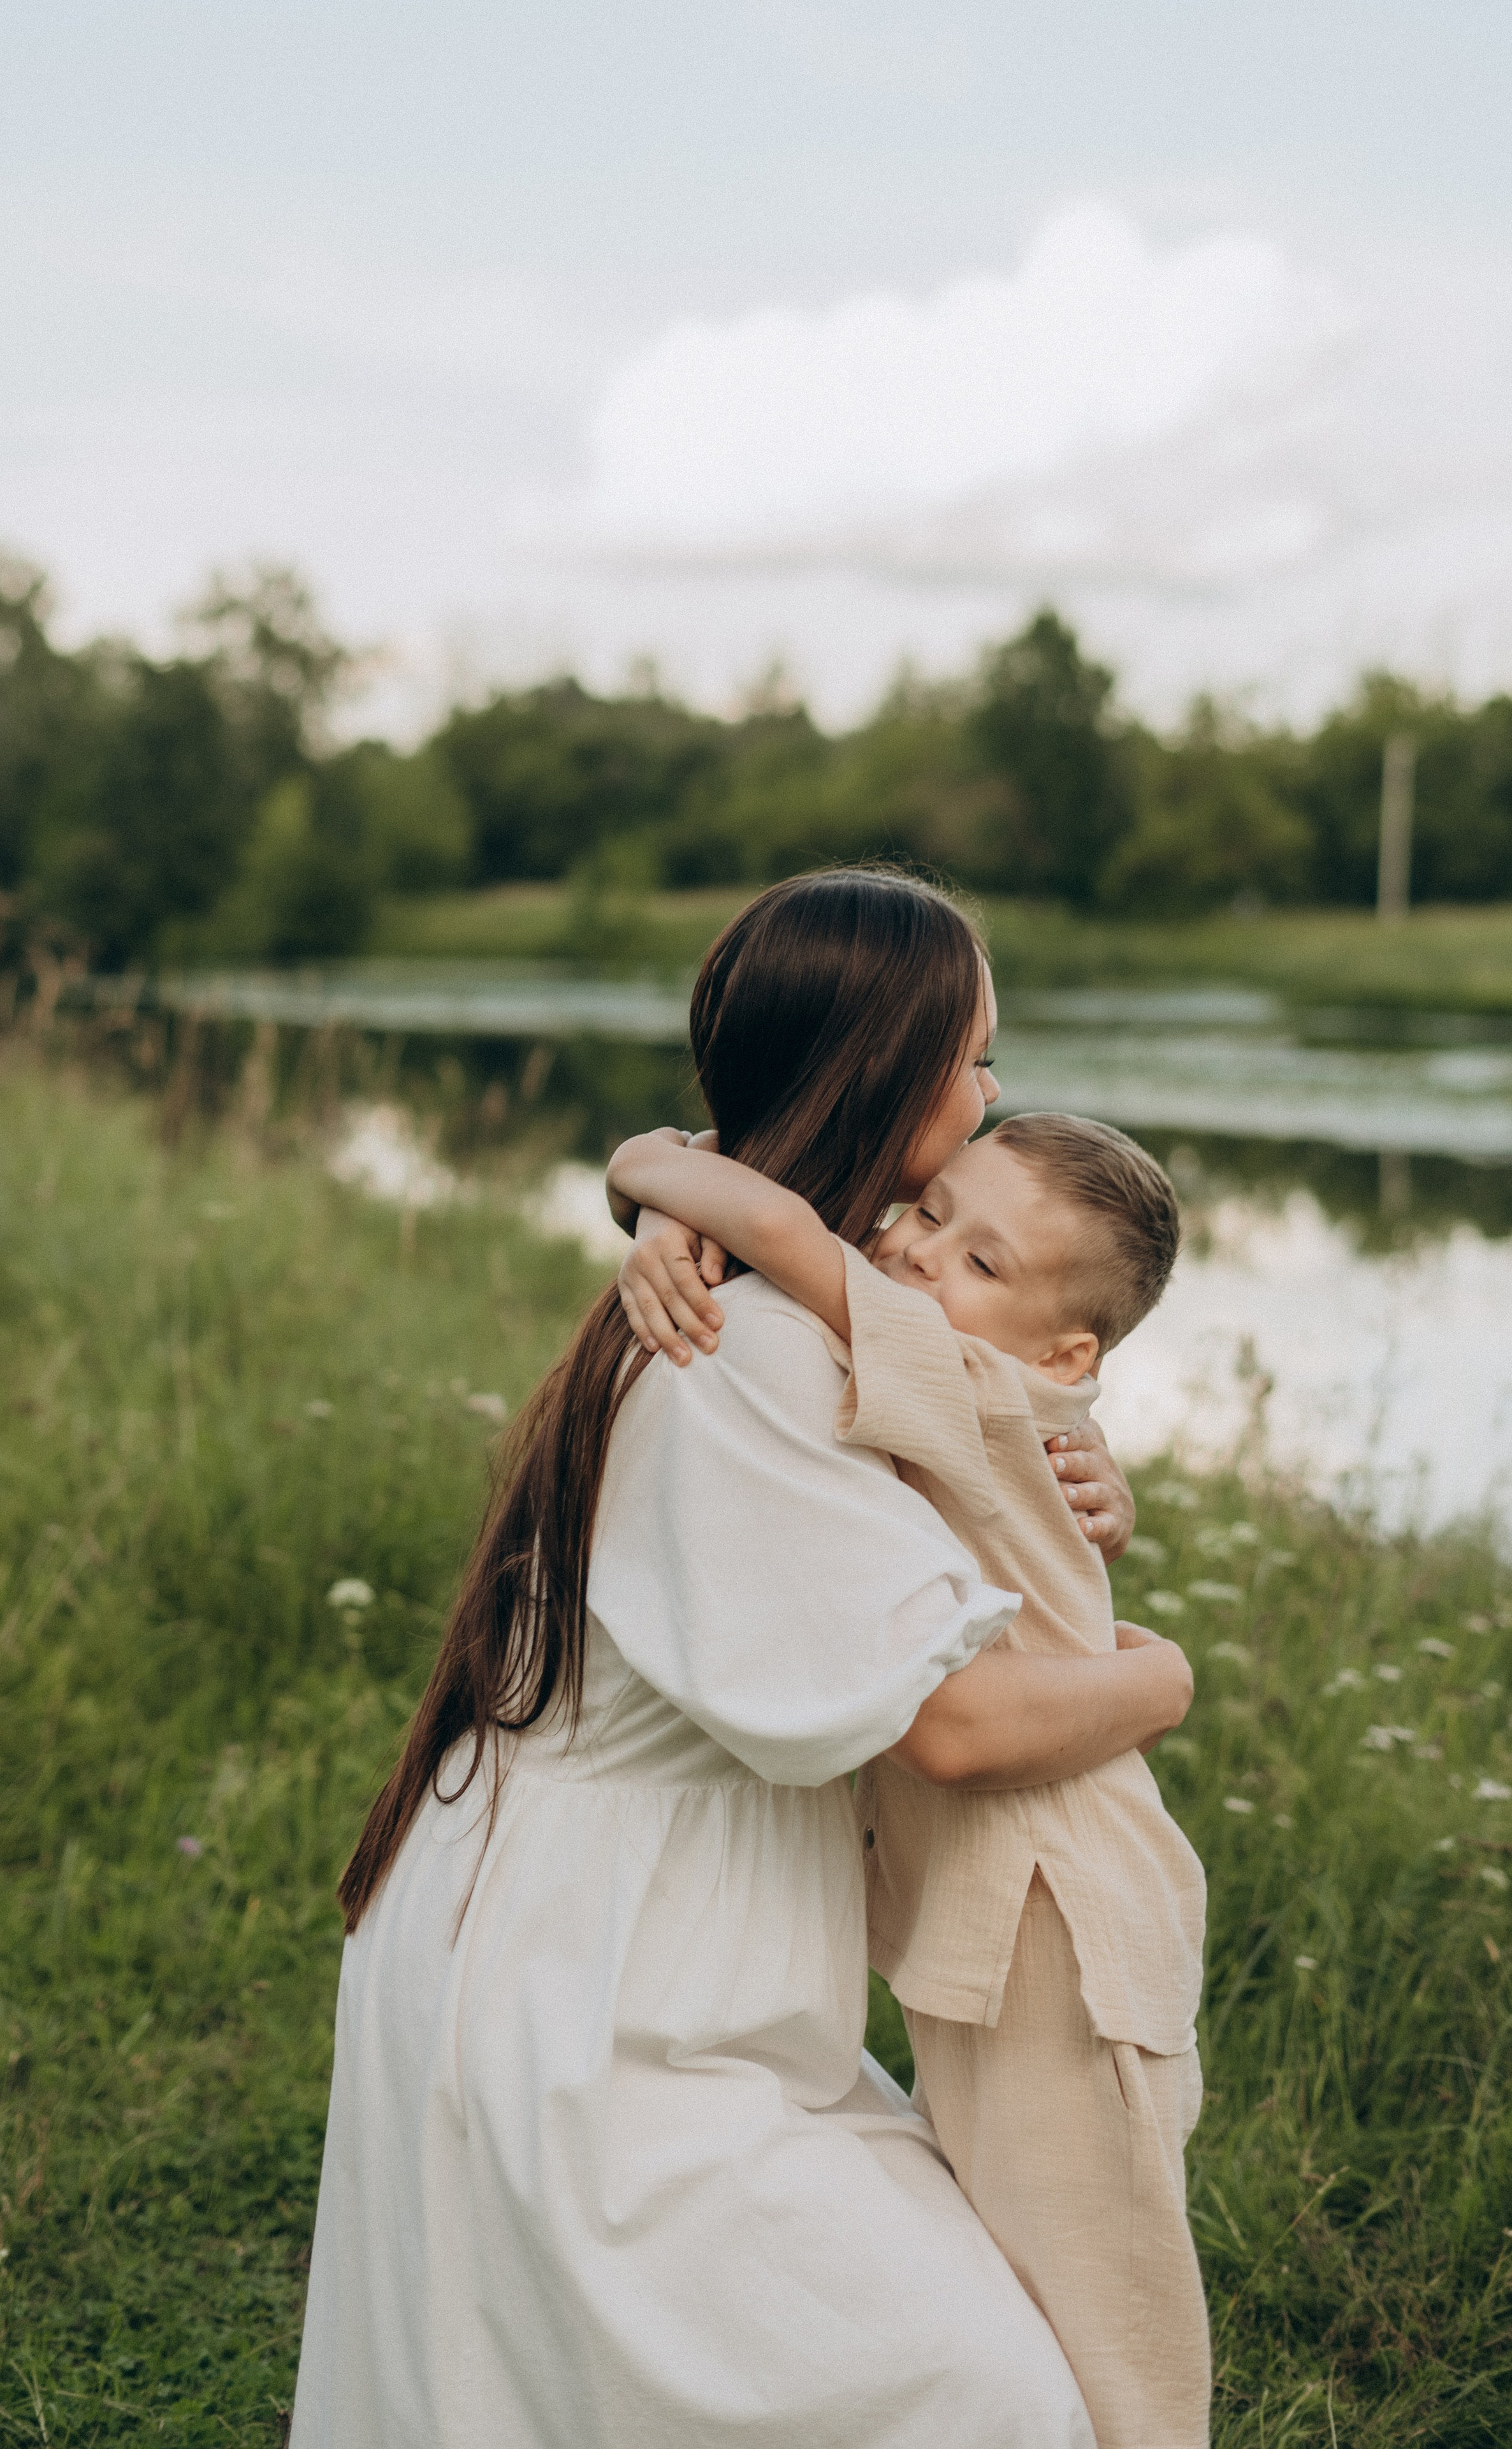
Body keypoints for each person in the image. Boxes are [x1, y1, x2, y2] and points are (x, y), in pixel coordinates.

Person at [289, 868, 1169, 2448]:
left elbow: (953, 1435)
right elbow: (955, 1727)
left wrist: (1065, 1458)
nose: (990, 1095)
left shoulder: (753, 1292)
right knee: (982, 2400)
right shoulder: (740, 1343)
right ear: (893, 1072)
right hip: (597, 1991)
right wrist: (1166, 1675)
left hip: (602, 1933)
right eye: (975, 1058)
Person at [608, 1108, 1209, 2447]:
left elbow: (774, 1229)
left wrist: (640, 1174)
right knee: (1011, 2251)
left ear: (1064, 1356)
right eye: (930, 1211)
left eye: (980, 1263)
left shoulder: (961, 1380)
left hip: (1062, 1917)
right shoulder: (985, 1380)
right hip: (1020, 1898)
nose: (920, 1255)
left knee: (1103, 2299)